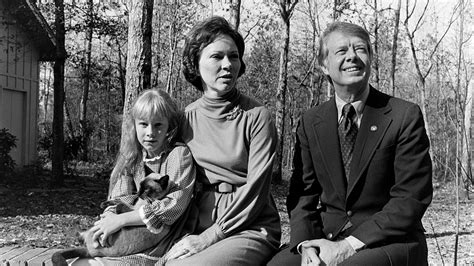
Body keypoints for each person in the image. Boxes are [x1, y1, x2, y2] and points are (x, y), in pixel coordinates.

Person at [268, 22, 433, 265]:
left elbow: (410, 197)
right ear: (324, 64)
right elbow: (303, 195)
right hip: (328, 235)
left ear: (370, 58)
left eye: (360, 49)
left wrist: (348, 246)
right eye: (341, 51)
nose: (352, 57)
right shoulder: (311, 121)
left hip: (388, 240)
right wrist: (306, 244)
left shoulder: (402, 115)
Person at [163, 16, 281, 265]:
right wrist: (118, 215)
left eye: (234, 56)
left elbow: (257, 192)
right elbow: (159, 173)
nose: (228, 64)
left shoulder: (257, 116)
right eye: (217, 56)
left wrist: (209, 237)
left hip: (248, 226)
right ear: (196, 63)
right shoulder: (184, 118)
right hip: (195, 223)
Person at [70, 89, 196, 265]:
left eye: (158, 125)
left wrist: (121, 220)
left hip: (160, 240)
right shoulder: (132, 158)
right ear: (134, 125)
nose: (150, 132)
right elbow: (118, 198)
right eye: (144, 124)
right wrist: (108, 220)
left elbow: (172, 207)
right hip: (124, 233)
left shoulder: (178, 155)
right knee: (79, 263)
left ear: (170, 126)